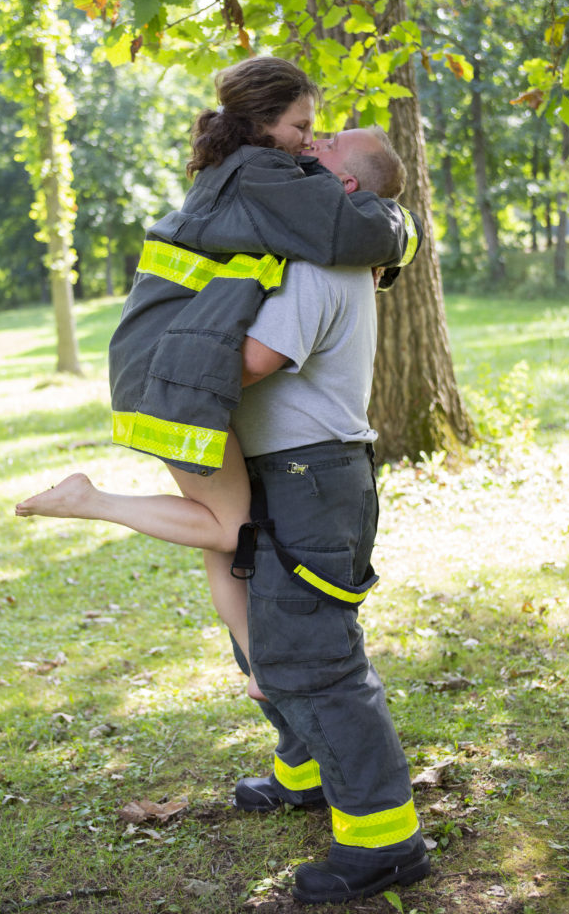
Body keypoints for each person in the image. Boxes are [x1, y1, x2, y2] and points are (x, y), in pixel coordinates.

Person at [15, 109, 416, 704]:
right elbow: (259, 353)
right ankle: (90, 499)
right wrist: (398, 234)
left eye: (328, 143)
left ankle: (258, 667)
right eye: (309, 127)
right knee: (230, 530)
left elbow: (366, 228)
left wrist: (393, 235)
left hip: (160, 374)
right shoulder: (283, 206)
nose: (315, 141)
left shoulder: (278, 209)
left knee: (225, 537)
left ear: (346, 186)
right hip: (173, 382)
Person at [226, 128, 431, 903]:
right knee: (263, 634)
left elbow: (250, 363)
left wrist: (162, 356)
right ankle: (303, 771)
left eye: (322, 154)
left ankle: (384, 840)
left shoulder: (321, 260)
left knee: (317, 661)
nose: (305, 153)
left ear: (344, 189)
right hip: (288, 472)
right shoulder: (319, 246)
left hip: (309, 476)